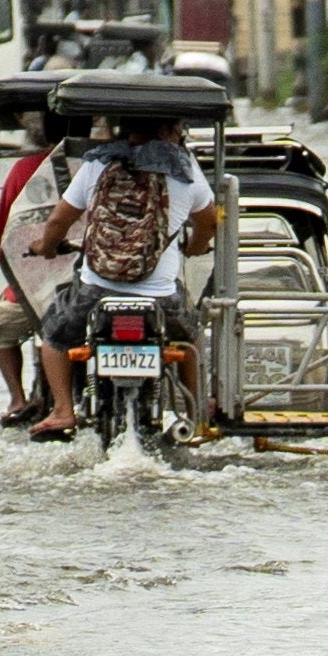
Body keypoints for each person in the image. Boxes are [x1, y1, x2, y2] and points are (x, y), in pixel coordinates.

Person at [21, 117, 220, 442]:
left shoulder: (98, 164)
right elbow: (209, 223)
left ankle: (62, 411)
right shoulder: (186, 171)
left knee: (54, 335)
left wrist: (46, 247)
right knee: (193, 338)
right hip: (160, 297)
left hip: (97, 292)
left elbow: (58, 219)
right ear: (169, 130)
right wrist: (196, 248)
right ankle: (196, 414)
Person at [0, 111, 77, 427]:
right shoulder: (105, 167)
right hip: (95, 278)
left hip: (42, 284)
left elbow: (2, 235)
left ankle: (18, 398)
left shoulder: (26, 170)